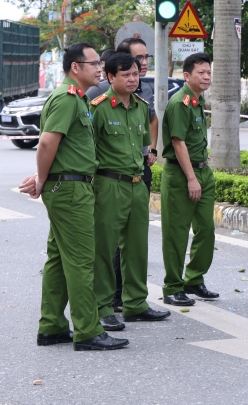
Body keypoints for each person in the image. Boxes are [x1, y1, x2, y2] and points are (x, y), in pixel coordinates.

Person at [19, 43, 128, 351]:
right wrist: (41, 179)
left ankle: (52, 325)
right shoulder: (67, 99)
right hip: (69, 189)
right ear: (75, 68)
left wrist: (45, 179)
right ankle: (88, 331)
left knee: (58, 259)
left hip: (70, 186)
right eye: (94, 63)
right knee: (81, 261)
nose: (100, 68)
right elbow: (46, 144)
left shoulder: (78, 99)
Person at [89, 53, 171, 331]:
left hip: (137, 184)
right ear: (110, 77)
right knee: (104, 248)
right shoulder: (98, 107)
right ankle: (102, 307)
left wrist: (150, 153)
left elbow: (145, 144)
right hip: (108, 184)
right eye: (126, 74)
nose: (133, 79)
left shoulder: (140, 106)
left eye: (135, 74)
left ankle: (136, 303)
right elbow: (87, 149)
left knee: (136, 247)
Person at [160, 52, 218, 306]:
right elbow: (178, 142)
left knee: (206, 229)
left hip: (203, 171)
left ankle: (194, 279)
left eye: (208, 72)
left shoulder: (197, 101)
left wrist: (201, 175)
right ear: (187, 76)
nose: (207, 76)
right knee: (177, 233)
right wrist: (192, 179)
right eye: (201, 73)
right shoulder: (179, 103)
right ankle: (173, 286)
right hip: (182, 174)